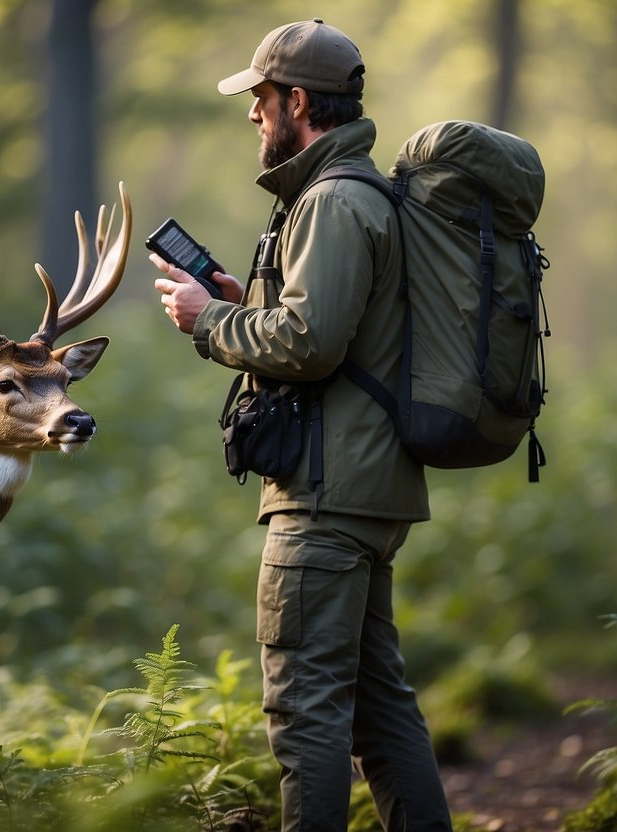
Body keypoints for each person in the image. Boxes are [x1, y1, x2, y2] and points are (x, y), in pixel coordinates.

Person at [150, 18, 453, 832]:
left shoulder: (333, 199)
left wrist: (208, 320)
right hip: (362, 488)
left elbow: (311, 344)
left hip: (327, 497)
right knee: (376, 710)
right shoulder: (348, 194)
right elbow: (330, 331)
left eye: (258, 98)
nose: (251, 114)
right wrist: (234, 295)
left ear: (294, 101)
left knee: (304, 710)